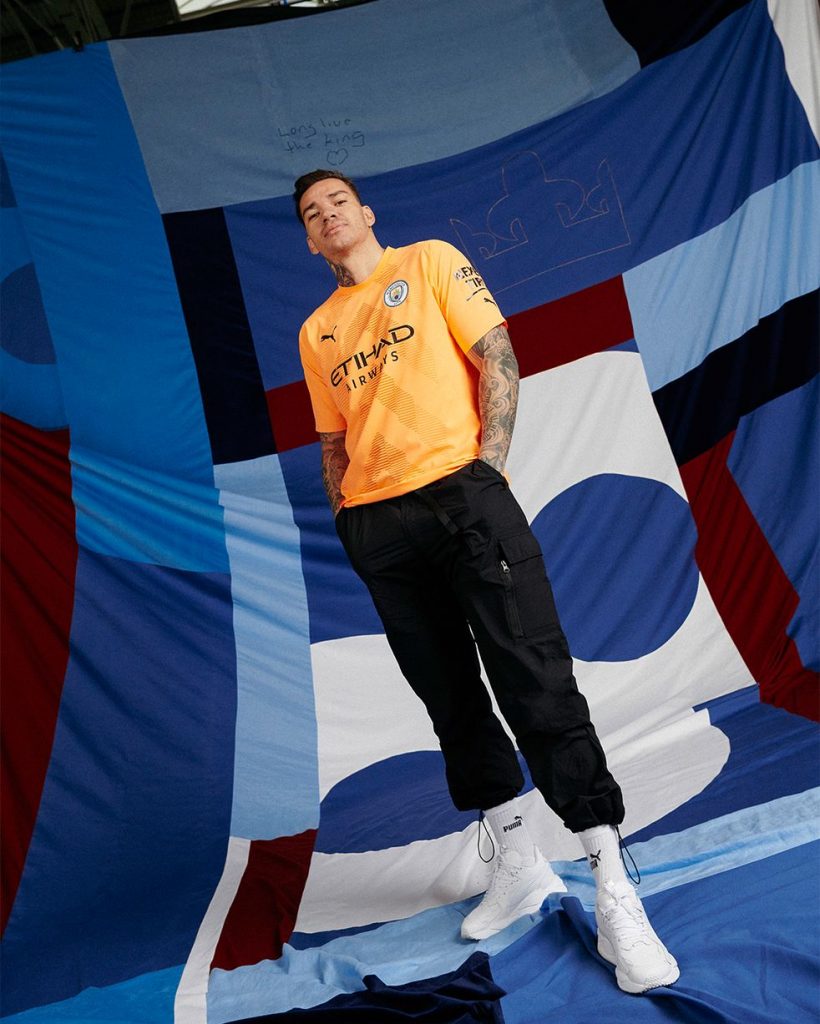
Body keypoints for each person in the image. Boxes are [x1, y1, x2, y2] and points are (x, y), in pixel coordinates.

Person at [294, 168, 679, 995]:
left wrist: (486, 476)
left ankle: (614, 886)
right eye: (311, 214)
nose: (327, 216)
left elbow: (496, 353)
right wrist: (349, 518)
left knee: (535, 679)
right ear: (310, 239)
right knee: (450, 700)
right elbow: (332, 440)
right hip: (379, 529)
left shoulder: (429, 262)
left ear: (366, 212)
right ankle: (517, 860)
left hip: (461, 496)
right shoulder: (316, 330)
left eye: (337, 202)